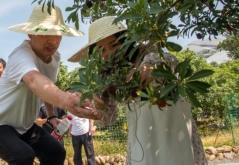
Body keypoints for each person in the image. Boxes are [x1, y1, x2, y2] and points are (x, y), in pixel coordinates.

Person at [68, 16, 207, 165]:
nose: (109, 53)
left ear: (126, 41)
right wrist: (100, 108)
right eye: (102, 50)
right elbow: (108, 120)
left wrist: (151, 64)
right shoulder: (109, 77)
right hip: (142, 140)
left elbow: (171, 60)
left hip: (175, 132)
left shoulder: (148, 53)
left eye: (114, 45)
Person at [0, 4, 102, 165]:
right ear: (31, 33)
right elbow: (35, 81)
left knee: (56, 153)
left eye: (57, 33)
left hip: (23, 127)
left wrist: (51, 116)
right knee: (23, 157)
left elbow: (47, 87)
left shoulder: (54, 58)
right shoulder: (21, 55)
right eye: (45, 33)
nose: (52, 40)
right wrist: (66, 100)